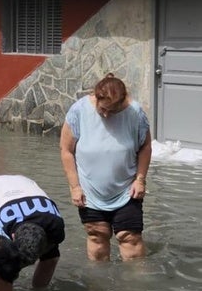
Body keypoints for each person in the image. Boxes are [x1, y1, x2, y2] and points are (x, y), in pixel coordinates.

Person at [60, 73, 151, 262]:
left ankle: (135, 287)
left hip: (127, 189)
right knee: (97, 235)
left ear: (123, 101)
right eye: (103, 109)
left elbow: (145, 148)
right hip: (90, 192)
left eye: (113, 110)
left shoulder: (135, 112)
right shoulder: (79, 111)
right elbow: (66, 150)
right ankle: (99, 287)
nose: (106, 114)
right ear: (96, 97)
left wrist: (140, 180)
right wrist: (75, 187)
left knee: (130, 238)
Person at [0, 175, 65, 291]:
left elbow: (50, 255)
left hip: (25, 183)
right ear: (12, 237)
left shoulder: (55, 226)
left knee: (51, 258)